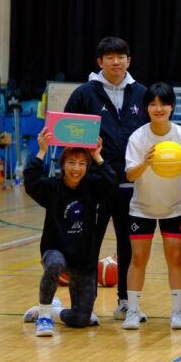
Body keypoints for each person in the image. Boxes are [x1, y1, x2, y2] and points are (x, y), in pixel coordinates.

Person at [63, 36, 148, 320]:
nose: (115, 62)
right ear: (99, 62)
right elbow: (67, 136)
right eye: (109, 57)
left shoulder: (141, 93)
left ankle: (126, 302)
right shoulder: (84, 94)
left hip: (131, 185)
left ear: (128, 61)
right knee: (88, 245)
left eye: (121, 56)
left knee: (128, 245)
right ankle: (85, 305)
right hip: (94, 186)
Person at [22, 132, 116, 336]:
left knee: (81, 320)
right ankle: (44, 316)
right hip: (55, 250)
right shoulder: (52, 188)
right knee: (54, 264)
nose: (76, 168)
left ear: (87, 167)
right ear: (63, 164)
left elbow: (113, 183)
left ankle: (53, 311)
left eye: (82, 163)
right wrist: (42, 151)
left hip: (83, 258)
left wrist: (97, 156)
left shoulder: (92, 186)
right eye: (71, 163)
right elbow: (30, 183)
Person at [122, 83, 181, 330]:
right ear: (146, 108)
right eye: (153, 104)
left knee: (175, 258)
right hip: (142, 208)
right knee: (138, 258)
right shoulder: (138, 137)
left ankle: (178, 312)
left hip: (174, 207)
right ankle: (133, 310)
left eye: (163, 104)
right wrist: (145, 162)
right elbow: (130, 175)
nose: (158, 108)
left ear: (172, 106)